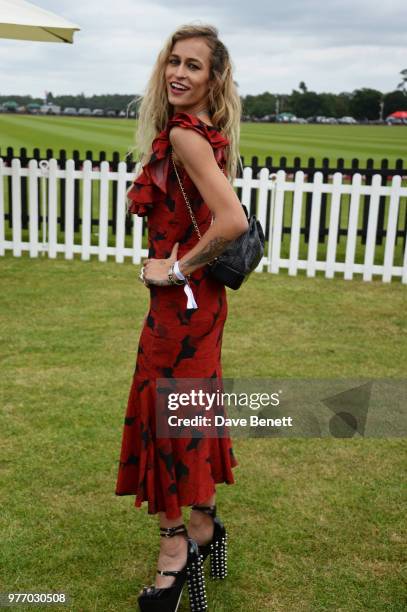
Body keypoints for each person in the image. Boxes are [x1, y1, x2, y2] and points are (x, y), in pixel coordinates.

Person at [115, 23, 248, 612]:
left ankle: (176, 552)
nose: (179, 74)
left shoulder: (187, 137)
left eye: (194, 66)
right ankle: (203, 527)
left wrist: (176, 269)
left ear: (213, 77)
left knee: (164, 416)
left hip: (181, 308)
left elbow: (232, 221)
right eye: (174, 62)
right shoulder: (207, 135)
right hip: (202, 309)